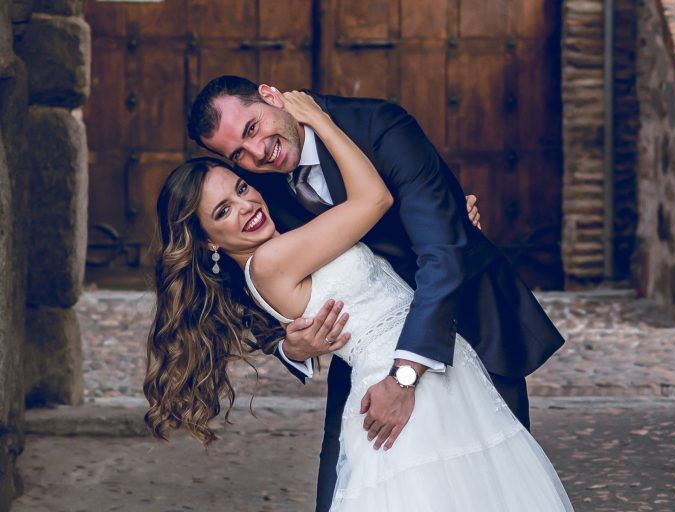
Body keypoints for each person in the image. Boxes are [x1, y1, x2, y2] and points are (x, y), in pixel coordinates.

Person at [145, 91, 573, 511]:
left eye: (253, 128)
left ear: (272, 97)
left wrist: (452, 228)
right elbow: (239, 284)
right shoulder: (256, 184)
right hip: (371, 363)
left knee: (492, 488)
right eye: (238, 154)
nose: (256, 153)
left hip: (470, 326)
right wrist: (288, 344)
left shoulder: (378, 126)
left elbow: (442, 253)